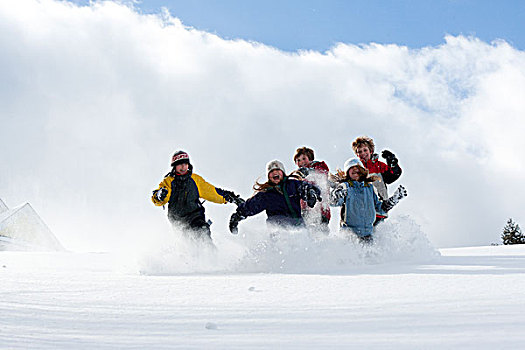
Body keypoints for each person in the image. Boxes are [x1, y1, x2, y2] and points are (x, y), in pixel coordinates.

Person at [152, 150, 243, 241]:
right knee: (188, 241)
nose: (183, 167)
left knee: (202, 232)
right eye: (180, 164)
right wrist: (160, 196)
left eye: (185, 164)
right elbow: (159, 199)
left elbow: (213, 192)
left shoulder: (195, 180)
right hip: (178, 221)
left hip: (195, 216)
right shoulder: (168, 181)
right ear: (175, 166)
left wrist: (233, 198)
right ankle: (191, 254)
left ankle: (210, 252)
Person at [229, 160, 321, 234]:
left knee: (304, 243)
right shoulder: (266, 195)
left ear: (283, 173)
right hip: (279, 229)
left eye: (277, 170)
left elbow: (306, 187)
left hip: (299, 226)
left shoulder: (293, 185)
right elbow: (251, 206)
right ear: (268, 176)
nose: (274, 173)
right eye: (271, 171)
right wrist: (237, 216)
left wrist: (311, 193)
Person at [331, 158, 407, 242]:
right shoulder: (345, 186)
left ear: (362, 171)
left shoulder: (369, 187)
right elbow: (333, 202)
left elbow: (380, 208)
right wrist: (337, 195)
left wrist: (393, 200)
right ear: (347, 173)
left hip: (368, 234)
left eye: (358, 168)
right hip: (350, 234)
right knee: (352, 254)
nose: (355, 169)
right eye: (351, 168)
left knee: (369, 254)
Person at [351, 136, 403, 224]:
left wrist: (393, 163)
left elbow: (392, 176)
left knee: (374, 177)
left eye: (365, 150)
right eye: (359, 152)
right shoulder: (355, 168)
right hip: (363, 208)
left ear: (370, 151)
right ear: (356, 154)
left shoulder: (379, 166)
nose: (363, 153)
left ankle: (385, 203)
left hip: (380, 207)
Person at [291, 147, 331, 228]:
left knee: (321, 231)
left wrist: (309, 172)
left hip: (321, 209)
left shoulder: (318, 166)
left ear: (310, 158)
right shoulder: (298, 176)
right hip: (305, 210)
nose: (301, 162)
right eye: (298, 160)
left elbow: (322, 174)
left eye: (304, 159)